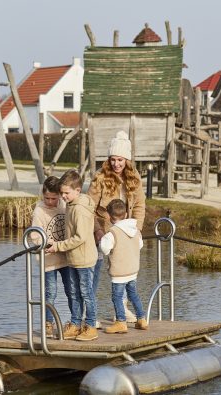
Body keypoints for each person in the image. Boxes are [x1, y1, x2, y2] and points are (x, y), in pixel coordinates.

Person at [87, 130, 146, 323]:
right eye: (113, 159)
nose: (116, 164)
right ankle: (90, 314)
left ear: (127, 160)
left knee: (125, 273)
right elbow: (89, 207)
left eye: (120, 160)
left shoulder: (134, 178)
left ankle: (122, 311)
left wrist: (137, 231)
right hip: (104, 233)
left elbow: (139, 205)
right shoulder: (100, 178)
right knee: (94, 274)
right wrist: (97, 230)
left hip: (126, 233)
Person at [46, 169, 98, 341]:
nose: (63, 196)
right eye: (61, 193)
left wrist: (58, 246)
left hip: (84, 258)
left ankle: (90, 325)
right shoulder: (70, 205)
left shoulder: (79, 210)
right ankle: (75, 324)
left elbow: (80, 237)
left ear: (77, 190)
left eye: (66, 193)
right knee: (74, 293)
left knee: (86, 293)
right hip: (74, 259)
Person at [30, 175, 70, 338]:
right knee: (50, 292)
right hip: (48, 259)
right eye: (47, 198)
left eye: (54, 198)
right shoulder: (39, 210)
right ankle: (48, 323)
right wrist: (47, 244)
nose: (50, 202)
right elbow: (35, 235)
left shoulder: (65, 204)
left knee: (71, 290)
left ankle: (75, 322)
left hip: (66, 257)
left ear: (59, 196)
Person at [100, 199, 148, 333]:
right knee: (133, 295)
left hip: (119, 273)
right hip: (133, 270)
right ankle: (141, 319)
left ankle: (121, 321)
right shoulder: (136, 230)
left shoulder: (112, 233)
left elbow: (104, 249)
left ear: (109, 217)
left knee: (117, 297)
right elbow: (140, 245)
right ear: (126, 214)